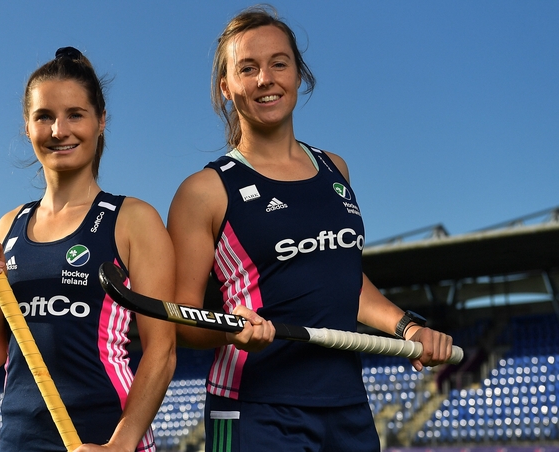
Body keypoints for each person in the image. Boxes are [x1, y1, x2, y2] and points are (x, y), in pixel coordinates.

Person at [167, 6, 454, 451]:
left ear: (298, 74)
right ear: (226, 86)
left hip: (346, 406)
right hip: (252, 407)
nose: (266, 79)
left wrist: (407, 328)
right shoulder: (205, 191)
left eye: (279, 64)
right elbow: (180, 318)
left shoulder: (335, 168)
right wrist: (230, 329)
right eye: (248, 68)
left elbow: (343, 279)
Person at [0, 47, 176, 452]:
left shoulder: (133, 219)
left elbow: (162, 351)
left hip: (105, 437)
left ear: (101, 121)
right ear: (27, 127)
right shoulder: (8, 226)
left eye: (75, 114)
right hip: (19, 440)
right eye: (44, 116)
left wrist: (120, 445)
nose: (59, 131)